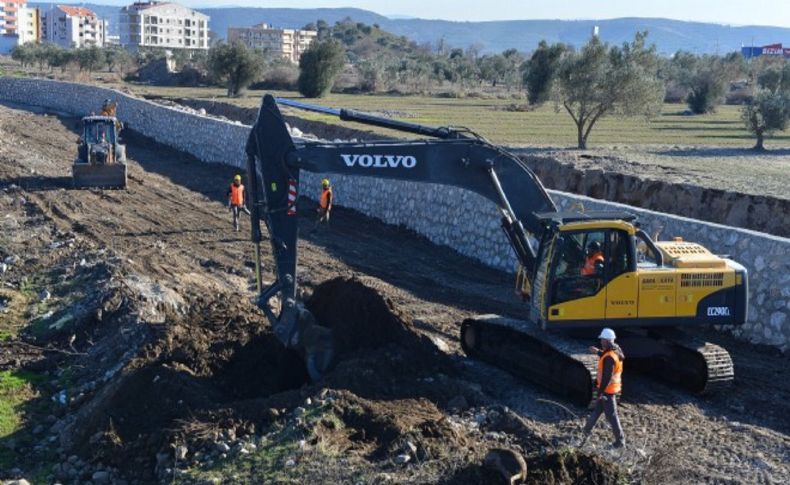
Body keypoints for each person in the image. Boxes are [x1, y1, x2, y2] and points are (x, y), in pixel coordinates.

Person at [579, 328, 626, 449]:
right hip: (608, 390)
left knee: (612, 416)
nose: (601, 342)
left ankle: (620, 442)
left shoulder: (609, 357)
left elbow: (607, 376)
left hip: (607, 391)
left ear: (607, 340)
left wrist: (600, 392)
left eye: (602, 340)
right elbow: (609, 355)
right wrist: (598, 352)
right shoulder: (616, 350)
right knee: (596, 412)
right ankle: (584, 433)